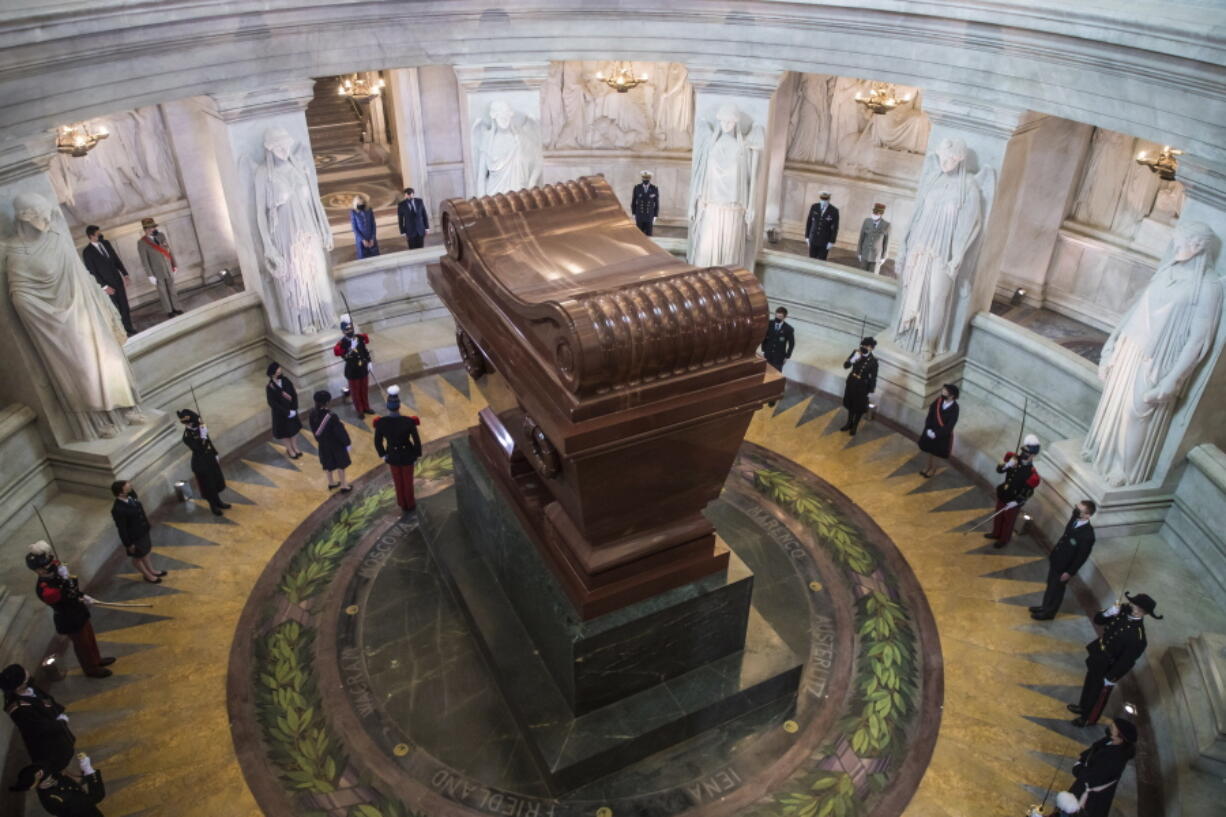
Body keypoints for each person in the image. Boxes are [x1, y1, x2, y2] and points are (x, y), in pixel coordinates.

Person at [1070, 593, 1160, 727]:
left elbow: (1127, 661)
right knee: (1089, 683)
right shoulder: (1122, 610)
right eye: (1133, 604)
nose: (1133, 607)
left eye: (1136, 607)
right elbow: (1098, 620)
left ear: (1143, 612)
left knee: (1098, 693)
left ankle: (1088, 718)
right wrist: (1108, 613)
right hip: (1098, 654)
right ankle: (1083, 706)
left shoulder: (1138, 637)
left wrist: (1112, 677)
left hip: (1109, 666)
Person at [26, 542, 113, 678]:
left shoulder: (54, 574)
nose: (52, 565)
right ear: (39, 570)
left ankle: (97, 660)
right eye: (47, 565)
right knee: (82, 645)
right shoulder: (45, 588)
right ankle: (91, 669)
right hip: (69, 618)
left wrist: (82, 595)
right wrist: (67, 582)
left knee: (89, 638)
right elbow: (66, 596)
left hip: (78, 611)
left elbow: (71, 587)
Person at [1, 664, 76, 774]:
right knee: (57, 759)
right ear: (19, 687)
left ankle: (66, 771)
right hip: (46, 741)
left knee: (65, 751)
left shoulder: (29, 687)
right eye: (25, 676)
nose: (28, 674)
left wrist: (57, 710)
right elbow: (39, 728)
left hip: (55, 726)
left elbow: (46, 698)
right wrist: (61, 722)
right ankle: (64, 774)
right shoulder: (19, 709)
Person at [1030, 500, 1097, 620]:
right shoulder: (1075, 519)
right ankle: (1044, 606)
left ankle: (1049, 613)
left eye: (1079, 510)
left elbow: (1081, 557)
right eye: (1076, 507)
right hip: (1057, 559)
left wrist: (1070, 572)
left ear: (1087, 515)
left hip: (1065, 567)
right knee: (1051, 585)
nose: (1075, 511)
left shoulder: (1088, 535)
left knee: (1057, 589)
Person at [1062, 717, 1137, 817]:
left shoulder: (1114, 759)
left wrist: (1077, 767)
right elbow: (1094, 748)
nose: (1109, 727)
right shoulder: (1110, 741)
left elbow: (1092, 778)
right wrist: (1083, 758)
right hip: (1087, 784)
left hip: (1092, 797)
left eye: (1113, 727)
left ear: (1120, 735)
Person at [986, 435, 1042, 547]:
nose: (1023, 454)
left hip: (1014, 500)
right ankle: (996, 533)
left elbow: (1028, 492)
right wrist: (1007, 465)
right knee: (998, 516)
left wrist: (1016, 502)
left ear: (1033, 455)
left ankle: (1003, 539)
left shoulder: (1032, 474)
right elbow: (999, 470)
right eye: (1023, 451)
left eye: (1027, 452)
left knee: (1008, 521)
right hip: (1004, 493)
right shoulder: (1014, 459)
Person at [373, 385, 422, 512]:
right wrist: (417, 454)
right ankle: (410, 504)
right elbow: (416, 440)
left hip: (392, 456)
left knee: (397, 481)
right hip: (407, 455)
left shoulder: (381, 423)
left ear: (387, 407)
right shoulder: (408, 421)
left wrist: (383, 455)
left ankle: (401, 502)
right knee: (408, 482)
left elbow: (377, 441)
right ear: (399, 406)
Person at [9, 755, 106, 817]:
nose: (50, 773)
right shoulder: (56, 798)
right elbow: (96, 796)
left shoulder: (52, 777)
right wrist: (88, 769)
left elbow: (77, 782)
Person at [80, 225, 134, 335]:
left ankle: (129, 328)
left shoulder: (106, 244)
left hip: (118, 280)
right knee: (115, 309)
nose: (100, 235)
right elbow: (92, 272)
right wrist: (104, 287)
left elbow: (116, 259)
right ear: (91, 236)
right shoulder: (87, 252)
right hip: (107, 285)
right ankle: (121, 332)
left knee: (124, 306)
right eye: (98, 234)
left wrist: (125, 274)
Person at [176, 409, 230, 516]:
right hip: (201, 463)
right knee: (208, 485)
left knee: (215, 481)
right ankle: (213, 506)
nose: (194, 423)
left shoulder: (199, 428)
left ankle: (219, 502)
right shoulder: (186, 436)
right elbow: (198, 448)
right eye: (190, 423)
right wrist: (203, 436)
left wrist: (215, 453)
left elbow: (209, 443)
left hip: (209, 458)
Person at [110, 481, 165, 583]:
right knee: (137, 557)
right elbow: (122, 528)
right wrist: (128, 544)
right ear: (121, 493)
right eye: (128, 487)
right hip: (134, 537)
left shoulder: (131, 497)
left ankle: (151, 570)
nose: (131, 488)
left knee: (145, 552)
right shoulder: (118, 509)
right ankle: (147, 575)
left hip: (142, 531)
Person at [136, 217, 182, 318]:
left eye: (153, 227)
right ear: (145, 229)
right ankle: (169, 311)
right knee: (163, 292)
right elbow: (145, 260)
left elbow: (169, 250)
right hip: (156, 271)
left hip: (168, 267)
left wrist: (174, 264)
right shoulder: (142, 243)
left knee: (172, 289)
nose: (153, 229)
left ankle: (177, 307)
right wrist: (150, 275)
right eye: (150, 228)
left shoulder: (161, 236)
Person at [308, 390, 352, 492]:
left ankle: (331, 483)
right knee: (341, 464)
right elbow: (339, 432)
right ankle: (344, 485)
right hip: (336, 445)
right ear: (327, 402)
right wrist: (347, 442)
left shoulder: (312, 414)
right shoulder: (331, 416)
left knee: (328, 464)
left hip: (323, 444)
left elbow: (315, 431)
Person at [333, 315, 374, 417]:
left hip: (363, 369)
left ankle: (366, 407)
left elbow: (364, 351)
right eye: (347, 329)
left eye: (351, 328)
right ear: (343, 331)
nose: (350, 330)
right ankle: (359, 410)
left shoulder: (359, 338)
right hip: (352, 371)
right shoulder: (342, 344)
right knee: (355, 393)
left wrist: (369, 362)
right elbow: (346, 358)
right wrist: (351, 349)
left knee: (364, 390)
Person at [917, 383, 959, 477]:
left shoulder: (955, 408)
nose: (942, 393)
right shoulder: (938, 401)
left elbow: (950, 425)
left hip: (942, 435)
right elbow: (930, 415)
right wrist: (928, 429)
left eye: (945, 392)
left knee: (936, 453)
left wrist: (937, 434)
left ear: (952, 396)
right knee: (929, 450)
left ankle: (933, 469)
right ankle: (927, 466)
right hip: (931, 430)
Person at [840, 336, 878, 436]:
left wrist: (871, 391)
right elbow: (845, 366)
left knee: (859, 407)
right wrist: (852, 360)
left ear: (872, 348)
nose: (864, 347)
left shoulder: (873, 362)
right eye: (863, 345)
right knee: (850, 403)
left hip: (862, 386)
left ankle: (855, 426)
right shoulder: (856, 353)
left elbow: (873, 377)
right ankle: (849, 423)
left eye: (867, 346)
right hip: (852, 381)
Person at [265, 362, 303, 459]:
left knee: (294, 431)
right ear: (273, 373)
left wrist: (294, 408)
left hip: (291, 410)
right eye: (278, 370)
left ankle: (295, 446)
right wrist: (286, 412)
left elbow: (294, 395)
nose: (280, 371)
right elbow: (272, 403)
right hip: (280, 414)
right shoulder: (270, 387)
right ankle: (290, 449)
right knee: (284, 433)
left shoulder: (286, 380)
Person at [805, 191, 839, 260]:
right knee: (811, 260)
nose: (823, 201)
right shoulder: (814, 207)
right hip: (813, 239)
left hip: (825, 241)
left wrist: (831, 241)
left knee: (821, 261)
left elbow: (835, 228)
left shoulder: (834, 211)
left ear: (829, 199)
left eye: (825, 199)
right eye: (822, 199)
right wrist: (807, 236)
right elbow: (809, 222)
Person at [857, 203, 890, 273]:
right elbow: (861, 238)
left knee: (873, 277)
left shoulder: (886, 225)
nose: (874, 215)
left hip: (876, 256)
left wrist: (883, 257)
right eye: (874, 213)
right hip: (865, 254)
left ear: (881, 214)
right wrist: (859, 252)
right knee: (861, 275)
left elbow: (886, 242)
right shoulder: (867, 221)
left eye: (877, 214)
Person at [761, 307, 795, 373]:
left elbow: (792, 344)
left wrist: (787, 356)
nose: (777, 318)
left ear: (785, 317)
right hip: (767, 355)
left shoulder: (788, 329)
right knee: (764, 373)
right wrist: (763, 349)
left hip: (779, 358)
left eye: (780, 317)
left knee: (776, 375)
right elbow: (764, 337)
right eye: (776, 315)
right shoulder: (769, 324)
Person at [631, 170, 659, 236]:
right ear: (642, 178)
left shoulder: (654, 188)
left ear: (649, 179)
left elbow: (657, 203)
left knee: (649, 236)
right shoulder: (637, 188)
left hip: (649, 215)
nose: (645, 180)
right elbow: (633, 201)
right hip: (639, 215)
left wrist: (655, 215)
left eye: (647, 178)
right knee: (638, 236)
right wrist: (634, 213)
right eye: (644, 178)